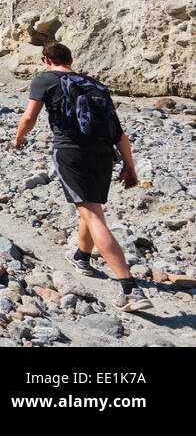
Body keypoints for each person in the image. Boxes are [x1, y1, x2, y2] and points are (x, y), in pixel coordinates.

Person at [12, 42, 150, 312]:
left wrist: (18, 138)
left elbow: (29, 116)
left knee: (92, 214)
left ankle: (130, 288)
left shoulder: (44, 79)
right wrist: (129, 165)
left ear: (46, 60)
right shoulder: (93, 84)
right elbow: (119, 130)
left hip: (71, 152)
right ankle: (82, 256)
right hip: (103, 154)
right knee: (90, 208)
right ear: (71, 58)